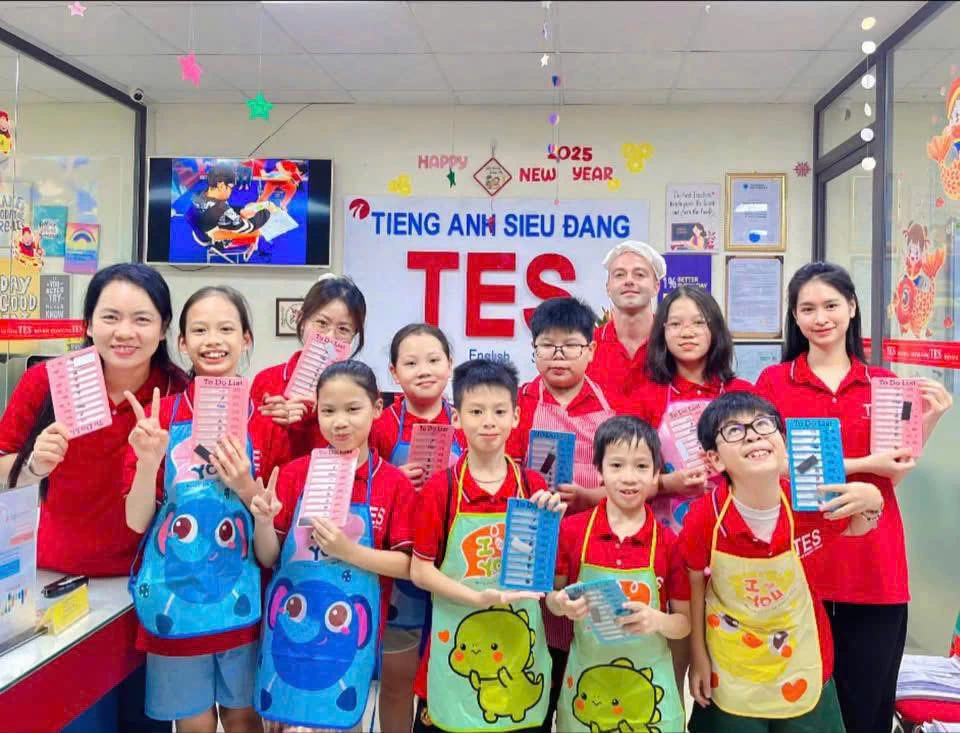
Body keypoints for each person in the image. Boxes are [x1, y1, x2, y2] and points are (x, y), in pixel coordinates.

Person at [755, 262, 953, 733]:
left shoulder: (884, 384)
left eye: (831, 305)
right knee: (798, 709)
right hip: (800, 563)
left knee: (867, 710)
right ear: (794, 317)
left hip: (873, 565)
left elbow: (894, 473)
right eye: (807, 308)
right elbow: (774, 467)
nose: (820, 317)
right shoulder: (774, 383)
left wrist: (931, 419)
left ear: (852, 307)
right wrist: (865, 465)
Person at [0, 263, 188, 732]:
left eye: (142, 319)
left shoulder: (178, 390)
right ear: (87, 323)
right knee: (78, 718)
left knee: (146, 721)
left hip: (149, 586)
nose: (125, 332)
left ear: (164, 326)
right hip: (60, 583)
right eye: (110, 317)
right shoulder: (47, 383)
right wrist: (33, 465)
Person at [123, 286, 289, 733]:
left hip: (245, 604)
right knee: (194, 724)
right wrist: (148, 463)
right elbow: (137, 521)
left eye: (226, 329)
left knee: (243, 719)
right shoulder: (160, 418)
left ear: (246, 339)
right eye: (199, 330)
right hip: (175, 601)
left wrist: (244, 485)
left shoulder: (267, 424)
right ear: (182, 343)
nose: (212, 340)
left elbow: (272, 545)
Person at [682, 392, 885, 733]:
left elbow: (856, 526)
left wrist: (872, 499)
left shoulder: (809, 502)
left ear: (783, 442)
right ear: (714, 459)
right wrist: (698, 656)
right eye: (734, 430)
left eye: (763, 424)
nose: (752, 435)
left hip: (801, 659)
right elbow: (693, 579)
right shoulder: (705, 517)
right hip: (731, 665)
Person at [251, 360, 417, 732]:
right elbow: (269, 557)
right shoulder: (294, 474)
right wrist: (263, 521)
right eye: (328, 411)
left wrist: (348, 551)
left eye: (353, 409)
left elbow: (408, 566)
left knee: (340, 719)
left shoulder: (392, 484)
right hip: (289, 633)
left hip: (347, 639)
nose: (340, 422)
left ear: (377, 408)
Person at [409, 359, 562, 733]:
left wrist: (551, 521)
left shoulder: (533, 487)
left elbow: (545, 577)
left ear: (516, 417)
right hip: (456, 646)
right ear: (457, 418)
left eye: (499, 411)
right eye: (476, 412)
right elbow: (420, 571)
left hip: (519, 648)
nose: (488, 422)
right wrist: (476, 598)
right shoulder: (441, 490)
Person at [503, 296, 616, 732]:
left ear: (590, 350)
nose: (558, 355)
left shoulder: (610, 407)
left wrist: (590, 495)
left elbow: (633, 482)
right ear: (533, 350)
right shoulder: (516, 405)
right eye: (547, 346)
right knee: (529, 675)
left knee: (585, 680)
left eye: (570, 346)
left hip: (591, 551)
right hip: (529, 553)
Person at [547, 415, 690, 733]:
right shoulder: (572, 531)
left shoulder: (669, 542)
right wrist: (562, 604)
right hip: (588, 691)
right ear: (598, 471)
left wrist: (657, 621)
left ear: (656, 473)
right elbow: (552, 599)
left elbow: (684, 624)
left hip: (650, 693)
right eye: (616, 466)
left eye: (641, 466)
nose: (629, 478)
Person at [369, 323, 466, 733]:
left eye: (433, 360)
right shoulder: (381, 426)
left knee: (452, 676)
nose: (423, 370)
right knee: (397, 684)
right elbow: (364, 487)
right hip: (400, 573)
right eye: (411, 363)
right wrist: (391, 478)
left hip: (452, 566)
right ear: (394, 373)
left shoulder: (465, 420)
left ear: (450, 364)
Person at [252, 274, 366, 458]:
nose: (329, 337)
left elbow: (366, 454)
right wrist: (275, 426)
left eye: (343, 329)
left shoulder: (362, 388)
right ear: (301, 320)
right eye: (321, 323)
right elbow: (252, 450)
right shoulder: (266, 381)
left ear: (354, 336)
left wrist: (328, 409)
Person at [586, 241, 666, 416]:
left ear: (656, 287)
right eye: (620, 275)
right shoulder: (586, 347)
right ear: (608, 287)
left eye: (639, 274)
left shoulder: (673, 343)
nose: (629, 281)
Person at [192, 163, 272, 240]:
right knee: (264, 212)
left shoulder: (198, 194)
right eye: (231, 187)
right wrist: (266, 213)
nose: (231, 191)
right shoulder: (221, 209)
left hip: (206, 228)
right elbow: (248, 228)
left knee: (246, 209)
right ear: (221, 186)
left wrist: (240, 212)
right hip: (220, 237)